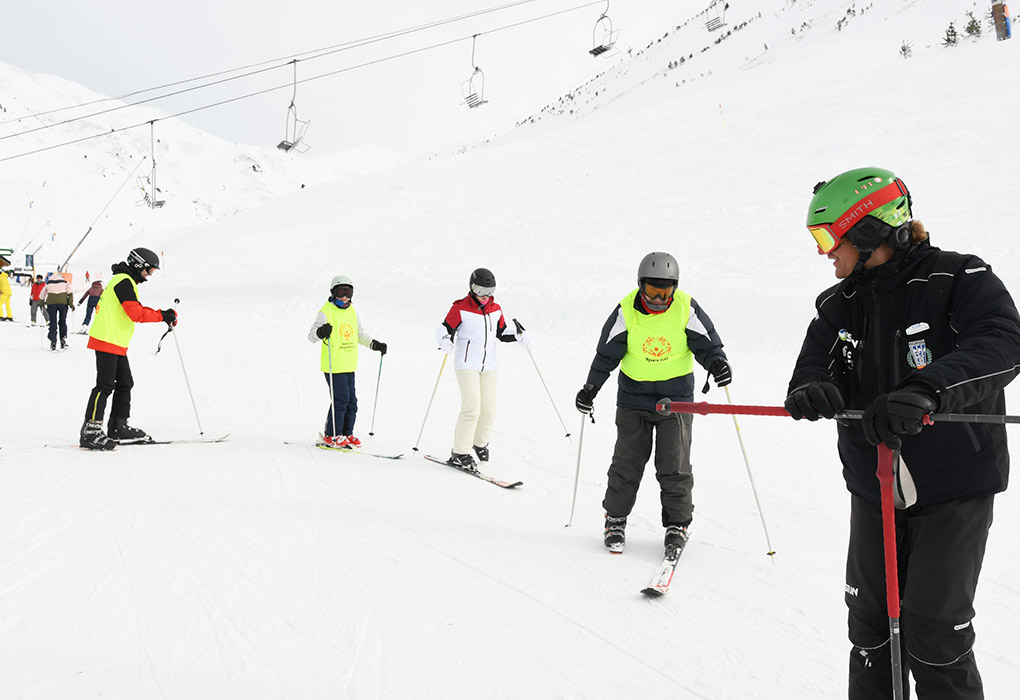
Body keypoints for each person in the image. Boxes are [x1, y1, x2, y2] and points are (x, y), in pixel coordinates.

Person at [785, 167, 1020, 699]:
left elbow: (1003, 343)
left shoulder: (960, 279)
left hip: (952, 488)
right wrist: (812, 389)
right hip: (874, 489)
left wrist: (928, 389)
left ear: (868, 231)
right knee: (870, 629)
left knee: (934, 631)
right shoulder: (836, 305)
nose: (825, 254)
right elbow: (811, 367)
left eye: (828, 238)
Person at [574, 252, 730, 556]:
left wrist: (718, 362)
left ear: (675, 288)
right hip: (633, 399)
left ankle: (677, 525)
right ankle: (615, 520)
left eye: (665, 292)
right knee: (626, 463)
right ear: (640, 285)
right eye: (652, 292)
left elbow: (707, 343)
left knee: (675, 464)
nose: (659, 300)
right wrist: (590, 388)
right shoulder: (626, 311)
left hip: (677, 402)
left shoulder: (686, 307)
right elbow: (606, 355)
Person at [79, 247, 177, 450]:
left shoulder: (125, 280)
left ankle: (118, 426)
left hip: (115, 340)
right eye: (149, 270)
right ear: (139, 265)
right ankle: (91, 430)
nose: (149, 275)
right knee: (105, 385)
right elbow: (135, 313)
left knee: (125, 383)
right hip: (107, 339)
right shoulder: (123, 281)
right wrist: (162, 315)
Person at [435, 267, 530, 468]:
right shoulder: (460, 308)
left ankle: (479, 443)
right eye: (480, 290)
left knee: (489, 410)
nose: (485, 296)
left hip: (489, 365)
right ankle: (460, 452)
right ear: (472, 288)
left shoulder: (496, 309)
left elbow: (502, 332)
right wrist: (443, 339)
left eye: (490, 291)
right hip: (466, 364)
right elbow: (444, 328)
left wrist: (519, 335)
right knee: (471, 408)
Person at [307, 275, 386, 448]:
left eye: (348, 292)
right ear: (333, 292)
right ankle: (332, 435)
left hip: (349, 364)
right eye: (340, 292)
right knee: (340, 400)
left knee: (351, 401)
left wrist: (375, 344)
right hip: (333, 365)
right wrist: (321, 332)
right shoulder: (326, 311)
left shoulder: (352, 310)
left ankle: (346, 433)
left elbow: (359, 334)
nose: (344, 297)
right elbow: (311, 336)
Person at [42, 271, 74, 350]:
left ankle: (53, 341)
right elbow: (70, 293)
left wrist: (41, 303)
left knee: (53, 322)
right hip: (63, 303)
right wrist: (71, 304)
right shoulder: (65, 283)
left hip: (51, 304)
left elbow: (42, 294)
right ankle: (63, 339)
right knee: (62, 321)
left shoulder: (48, 283)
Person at [0, 253, 12, 322]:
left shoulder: (0, 277)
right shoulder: (4, 276)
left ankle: (0, 315)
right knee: (7, 305)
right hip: (8, 292)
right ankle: (9, 316)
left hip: (4, 292)